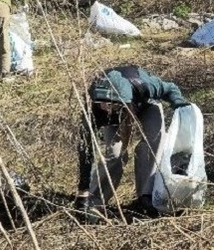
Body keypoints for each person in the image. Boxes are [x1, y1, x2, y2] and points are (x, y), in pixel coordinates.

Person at [74, 66, 192, 221]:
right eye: (103, 103)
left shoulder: (145, 85)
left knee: (155, 140)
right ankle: (95, 203)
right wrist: (83, 189)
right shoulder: (95, 107)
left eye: (112, 105)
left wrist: (179, 103)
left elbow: (170, 88)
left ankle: (147, 196)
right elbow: (85, 149)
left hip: (146, 105)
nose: (107, 108)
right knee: (115, 155)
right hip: (118, 116)